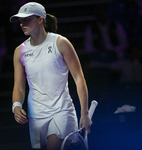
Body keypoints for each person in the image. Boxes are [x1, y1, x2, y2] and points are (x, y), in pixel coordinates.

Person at [9, 2, 92, 150]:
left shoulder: (61, 43)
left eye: (27, 19)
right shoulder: (19, 51)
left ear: (40, 19)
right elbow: (19, 87)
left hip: (61, 111)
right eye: (20, 20)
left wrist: (84, 113)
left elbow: (79, 78)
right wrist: (16, 106)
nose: (22, 24)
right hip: (36, 114)